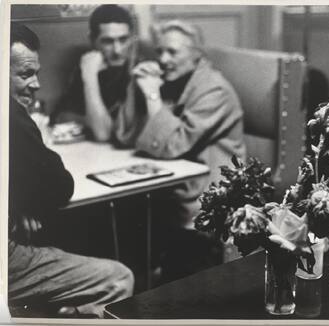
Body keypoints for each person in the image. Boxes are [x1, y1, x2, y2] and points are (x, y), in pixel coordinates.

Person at [8, 23, 134, 318]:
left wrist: (18, 203)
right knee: (119, 277)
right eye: (25, 74)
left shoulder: (136, 75)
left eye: (123, 40)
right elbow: (60, 186)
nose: (37, 84)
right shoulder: (10, 112)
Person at [117, 20, 246, 228]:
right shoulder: (175, 80)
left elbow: (172, 145)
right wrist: (136, 84)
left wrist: (152, 95)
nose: (162, 59)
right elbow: (125, 135)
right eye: (159, 51)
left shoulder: (215, 91)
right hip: (175, 185)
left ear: (197, 54)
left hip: (208, 196)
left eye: (172, 52)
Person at [51, 5, 139, 142]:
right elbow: (61, 116)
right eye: (108, 41)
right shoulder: (90, 66)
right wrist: (91, 120)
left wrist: (90, 77)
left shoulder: (140, 69)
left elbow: (103, 133)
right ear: (92, 40)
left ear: (132, 39)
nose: (117, 50)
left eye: (123, 40)